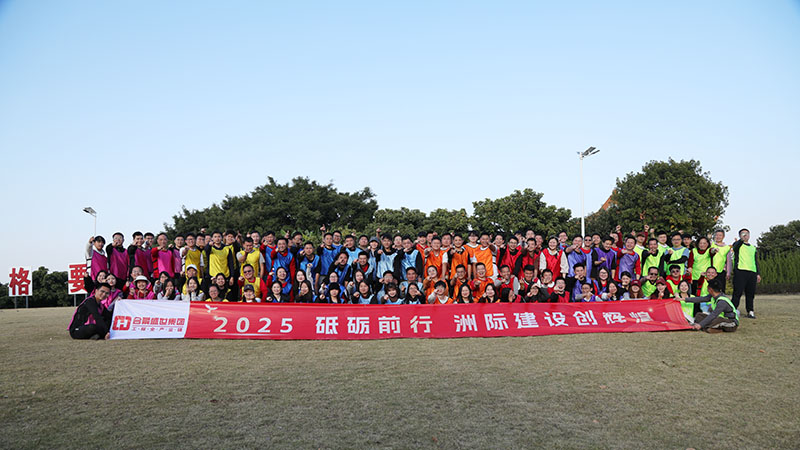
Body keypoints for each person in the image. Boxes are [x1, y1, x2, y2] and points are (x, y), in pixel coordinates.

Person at [728, 228, 760, 319]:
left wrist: (758, 273)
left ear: (749, 235)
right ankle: (732, 310)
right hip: (740, 271)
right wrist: (741, 240)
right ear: (740, 236)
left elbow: (755, 261)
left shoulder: (753, 248)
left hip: (752, 272)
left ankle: (750, 311)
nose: (745, 235)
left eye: (747, 234)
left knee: (750, 293)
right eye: (743, 234)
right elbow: (735, 247)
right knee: (737, 292)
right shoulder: (737, 244)